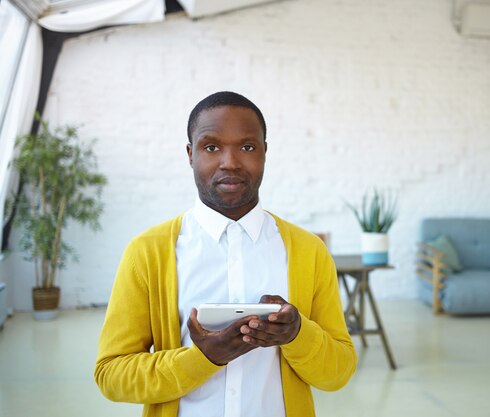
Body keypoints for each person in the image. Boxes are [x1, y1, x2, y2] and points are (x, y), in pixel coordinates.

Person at [94, 91, 357, 417]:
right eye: (211, 147)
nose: (230, 162)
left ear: (264, 152)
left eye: (247, 147)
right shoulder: (148, 252)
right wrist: (202, 358)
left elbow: (339, 373)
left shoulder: (308, 251)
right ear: (190, 154)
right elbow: (111, 375)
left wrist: (297, 334)